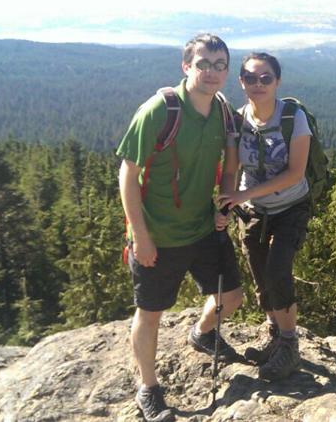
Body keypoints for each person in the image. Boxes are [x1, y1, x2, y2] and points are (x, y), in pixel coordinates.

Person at [117, 33, 244, 422]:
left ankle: (203, 332)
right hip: (158, 234)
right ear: (186, 66)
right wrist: (141, 236)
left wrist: (224, 203)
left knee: (232, 297)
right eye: (203, 64)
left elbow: (231, 166)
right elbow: (127, 174)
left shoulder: (222, 110)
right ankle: (148, 387)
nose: (212, 72)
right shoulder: (160, 110)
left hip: (203, 228)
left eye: (220, 65)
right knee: (150, 313)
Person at [216, 52, 311, 381]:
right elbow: (231, 169)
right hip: (253, 210)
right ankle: (274, 334)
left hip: (291, 207)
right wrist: (226, 205)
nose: (258, 84)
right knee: (260, 275)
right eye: (250, 78)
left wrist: (243, 195)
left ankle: (290, 345)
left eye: (266, 78)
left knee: (277, 271)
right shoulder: (237, 121)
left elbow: (295, 173)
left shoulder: (293, 118)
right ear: (241, 82)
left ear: (277, 81)